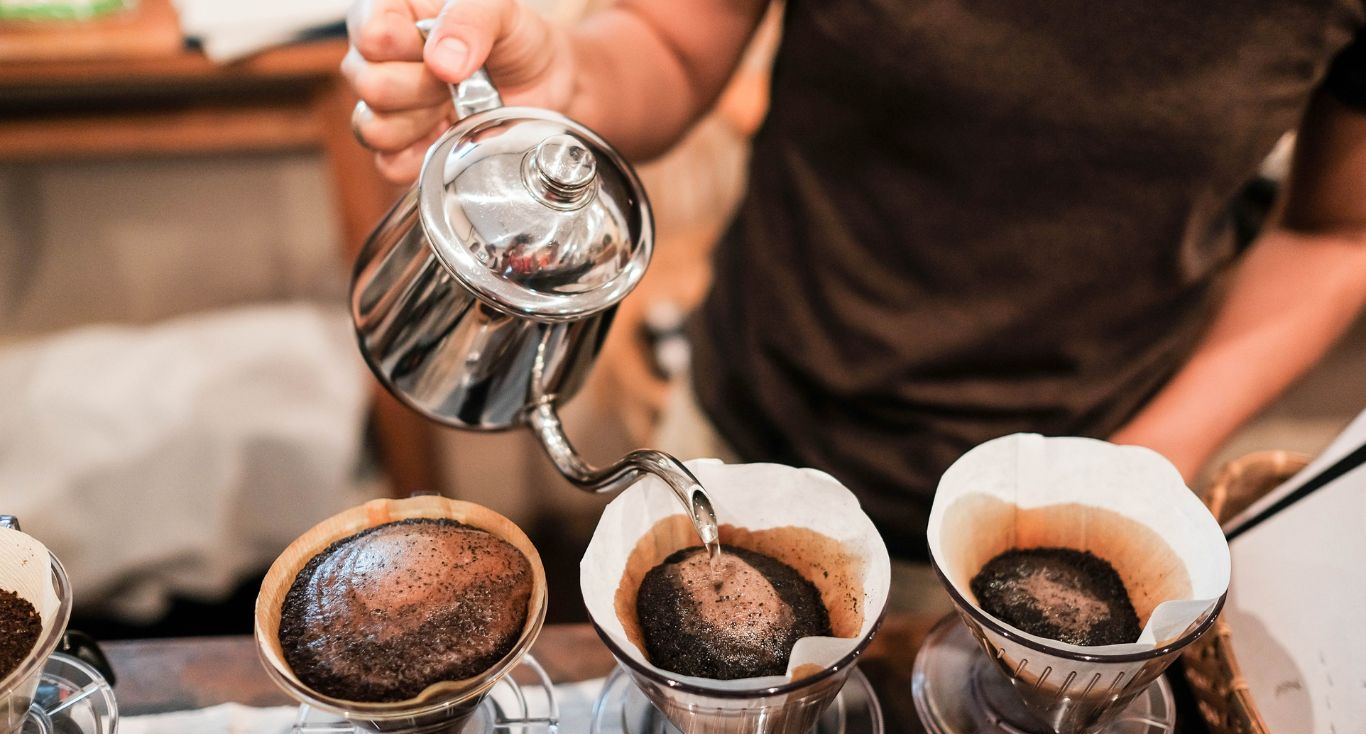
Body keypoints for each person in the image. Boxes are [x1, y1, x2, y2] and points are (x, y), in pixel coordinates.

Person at [342, 0, 1366, 563]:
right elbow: (668, 40)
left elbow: (1338, 232)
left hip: (1077, 485)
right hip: (757, 418)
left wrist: (1145, 460)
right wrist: (564, 80)